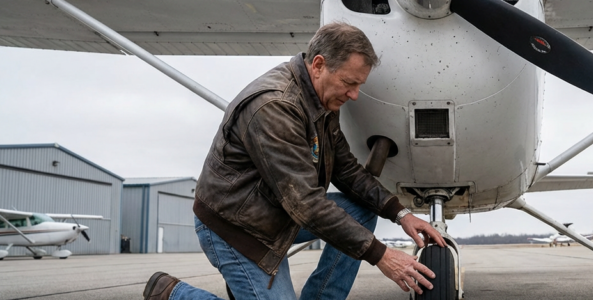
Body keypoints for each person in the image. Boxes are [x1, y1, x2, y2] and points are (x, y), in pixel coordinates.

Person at [143, 22, 447, 300]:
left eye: (359, 85)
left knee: (364, 209)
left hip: (277, 213)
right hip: (236, 226)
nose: (354, 95)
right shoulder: (275, 107)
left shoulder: (322, 99)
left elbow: (346, 170)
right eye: (349, 83)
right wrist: (381, 255)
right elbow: (307, 204)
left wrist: (401, 213)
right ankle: (174, 294)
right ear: (318, 65)